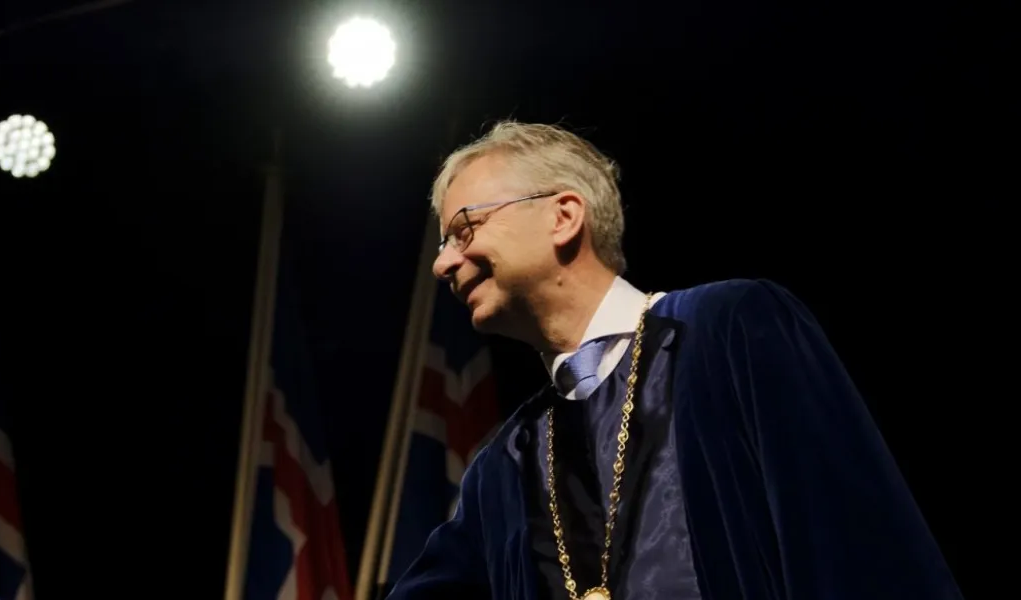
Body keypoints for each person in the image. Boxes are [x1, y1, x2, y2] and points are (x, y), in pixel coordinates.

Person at [386, 121, 962, 600]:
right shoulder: (504, 463)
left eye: (465, 230)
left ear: (564, 216)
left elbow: (855, 541)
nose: (444, 264)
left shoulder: (730, 330)